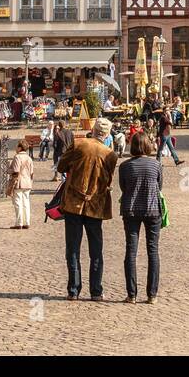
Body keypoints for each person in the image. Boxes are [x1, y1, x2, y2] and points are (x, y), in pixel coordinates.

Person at [55, 118, 118, 300]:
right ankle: (96, 291)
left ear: (93, 129)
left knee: (73, 249)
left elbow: (61, 166)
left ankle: (73, 290)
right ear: (106, 135)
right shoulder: (110, 155)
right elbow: (108, 181)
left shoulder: (79, 145)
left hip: (73, 203)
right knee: (96, 250)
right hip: (95, 206)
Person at [119, 132, 163, 303]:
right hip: (153, 210)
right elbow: (159, 186)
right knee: (153, 251)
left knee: (131, 251)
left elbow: (123, 187)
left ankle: (131, 294)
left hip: (131, 210)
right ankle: (152, 294)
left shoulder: (125, 166)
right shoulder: (156, 165)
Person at [8, 139, 34, 229]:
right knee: (26, 203)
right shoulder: (29, 158)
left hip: (19, 182)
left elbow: (16, 170)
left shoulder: (17, 157)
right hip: (27, 183)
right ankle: (27, 222)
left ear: (20, 148)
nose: (15, 148)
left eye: (17, 146)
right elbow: (31, 172)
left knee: (18, 202)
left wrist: (8, 170)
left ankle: (19, 223)